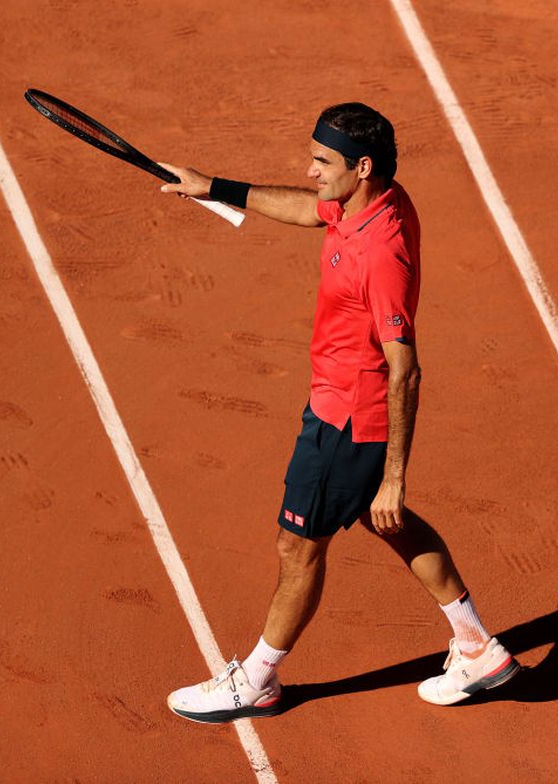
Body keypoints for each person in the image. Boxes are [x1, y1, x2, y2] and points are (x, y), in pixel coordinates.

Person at [160, 102, 519, 723]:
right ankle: (477, 647)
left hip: (347, 419)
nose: (310, 169)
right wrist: (212, 186)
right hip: (338, 403)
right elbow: (307, 208)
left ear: (363, 166)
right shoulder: (374, 198)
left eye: (323, 161)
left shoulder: (381, 254)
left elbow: (405, 369)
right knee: (389, 520)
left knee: (298, 547)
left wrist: (394, 474)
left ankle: (259, 681)